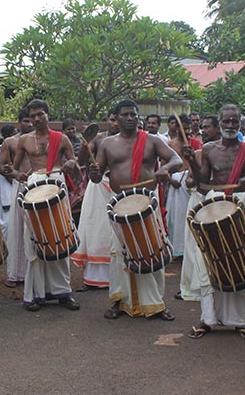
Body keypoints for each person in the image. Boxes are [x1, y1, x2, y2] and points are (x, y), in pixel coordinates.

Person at [186, 104, 245, 341]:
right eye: (226, 121)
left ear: (241, 124)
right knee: (209, 259)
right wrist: (192, 164)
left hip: (241, 203)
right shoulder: (208, 149)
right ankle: (207, 319)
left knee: (240, 258)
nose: (230, 126)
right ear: (219, 122)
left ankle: (240, 321)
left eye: (234, 122)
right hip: (214, 202)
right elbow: (202, 184)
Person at [89, 99, 181, 321]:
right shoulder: (107, 144)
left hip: (147, 202)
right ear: (116, 118)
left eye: (133, 114)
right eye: (125, 115)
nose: (130, 118)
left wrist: (166, 168)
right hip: (118, 202)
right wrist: (93, 172)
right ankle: (119, 301)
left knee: (152, 247)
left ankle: (156, 302)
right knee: (119, 252)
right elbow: (96, 176)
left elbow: (176, 159)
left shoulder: (152, 140)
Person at [4, 98, 80, 311]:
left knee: (60, 236)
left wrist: (72, 163)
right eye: (32, 116)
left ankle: (64, 293)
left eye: (40, 115)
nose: (36, 119)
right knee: (35, 241)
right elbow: (14, 168)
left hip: (57, 185)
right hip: (34, 188)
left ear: (48, 115)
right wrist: (18, 175)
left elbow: (73, 163)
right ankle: (35, 295)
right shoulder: (24, 141)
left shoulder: (62, 138)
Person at [71, 110, 120, 290]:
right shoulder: (99, 139)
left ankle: (119, 275)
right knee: (96, 228)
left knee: (118, 230)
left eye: (117, 119)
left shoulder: (130, 141)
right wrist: (85, 141)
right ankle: (94, 278)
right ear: (108, 121)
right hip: (99, 188)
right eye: (112, 119)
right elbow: (81, 160)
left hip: (120, 189)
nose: (115, 123)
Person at [180, 115, 219, 302]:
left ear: (218, 129)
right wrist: (191, 172)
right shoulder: (197, 153)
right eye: (202, 127)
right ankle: (194, 286)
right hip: (197, 200)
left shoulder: (226, 153)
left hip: (217, 203)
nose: (203, 130)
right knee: (193, 245)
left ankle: (215, 285)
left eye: (208, 127)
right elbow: (191, 180)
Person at [0, 108, 34, 288]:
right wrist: (15, 175)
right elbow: (1, 166)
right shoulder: (10, 142)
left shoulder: (42, 140)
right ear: (19, 122)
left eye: (32, 120)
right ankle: (16, 273)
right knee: (17, 230)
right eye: (26, 120)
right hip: (19, 187)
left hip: (40, 186)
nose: (30, 123)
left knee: (38, 230)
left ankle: (37, 273)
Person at [166, 114, 202, 259]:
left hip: (190, 183)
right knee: (175, 218)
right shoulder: (169, 145)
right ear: (176, 128)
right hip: (176, 184)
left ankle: (190, 249)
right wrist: (170, 180)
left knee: (190, 216)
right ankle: (177, 250)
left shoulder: (196, 144)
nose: (186, 132)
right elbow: (164, 167)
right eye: (183, 129)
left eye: (188, 129)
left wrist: (190, 176)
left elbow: (199, 165)